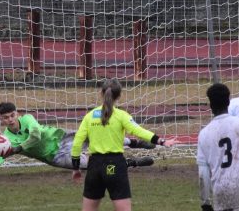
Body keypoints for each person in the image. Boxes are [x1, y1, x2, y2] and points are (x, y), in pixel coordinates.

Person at [0, 102, 156, 181]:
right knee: (93, 165)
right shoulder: (6, 139)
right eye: (5, 117)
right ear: (1, 119)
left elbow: (36, 135)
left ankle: (134, 143)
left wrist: (18, 148)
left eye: (12, 115)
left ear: (17, 114)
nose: (10, 119)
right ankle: (130, 163)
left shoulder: (27, 119)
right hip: (55, 155)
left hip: (60, 136)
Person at [71, 78, 177, 211]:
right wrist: (162, 141)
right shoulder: (122, 115)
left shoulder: (90, 116)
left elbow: (76, 143)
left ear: (101, 93)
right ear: (119, 96)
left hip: (94, 167)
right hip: (115, 165)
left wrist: (76, 169)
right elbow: (139, 131)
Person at [197, 83, 239, 211]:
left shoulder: (204, 134)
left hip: (221, 193)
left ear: (210, 105)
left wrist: (205, 203)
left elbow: (203, 174)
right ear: (229, 102)